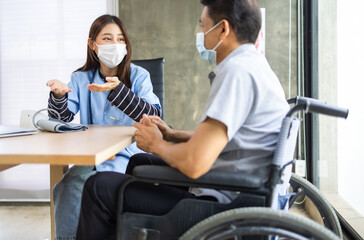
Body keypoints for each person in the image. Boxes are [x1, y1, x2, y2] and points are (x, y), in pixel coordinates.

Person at [76, 0, 289, 239]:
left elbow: (194, 163)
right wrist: (171, 135)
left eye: (203, 26)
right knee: (138, 162)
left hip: (223, 203)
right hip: (241, 185)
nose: (200, 34)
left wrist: (156, 144)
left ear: (223, 29)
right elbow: (231, 138)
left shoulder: (236, 73)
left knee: (97, 187)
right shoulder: (255, 65)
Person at [46, 14, 162, 240]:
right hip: (94, 158)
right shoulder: (81, 79)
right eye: (107, 39)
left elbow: (154, 115)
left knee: (84, 187)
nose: (115, 45)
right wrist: (59, 95)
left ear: (126, 46)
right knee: (66, 187)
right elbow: (62, 118)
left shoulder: (139, 76)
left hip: (130, 156)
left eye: (120, 39)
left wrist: (118, 91)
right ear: (93, 45)